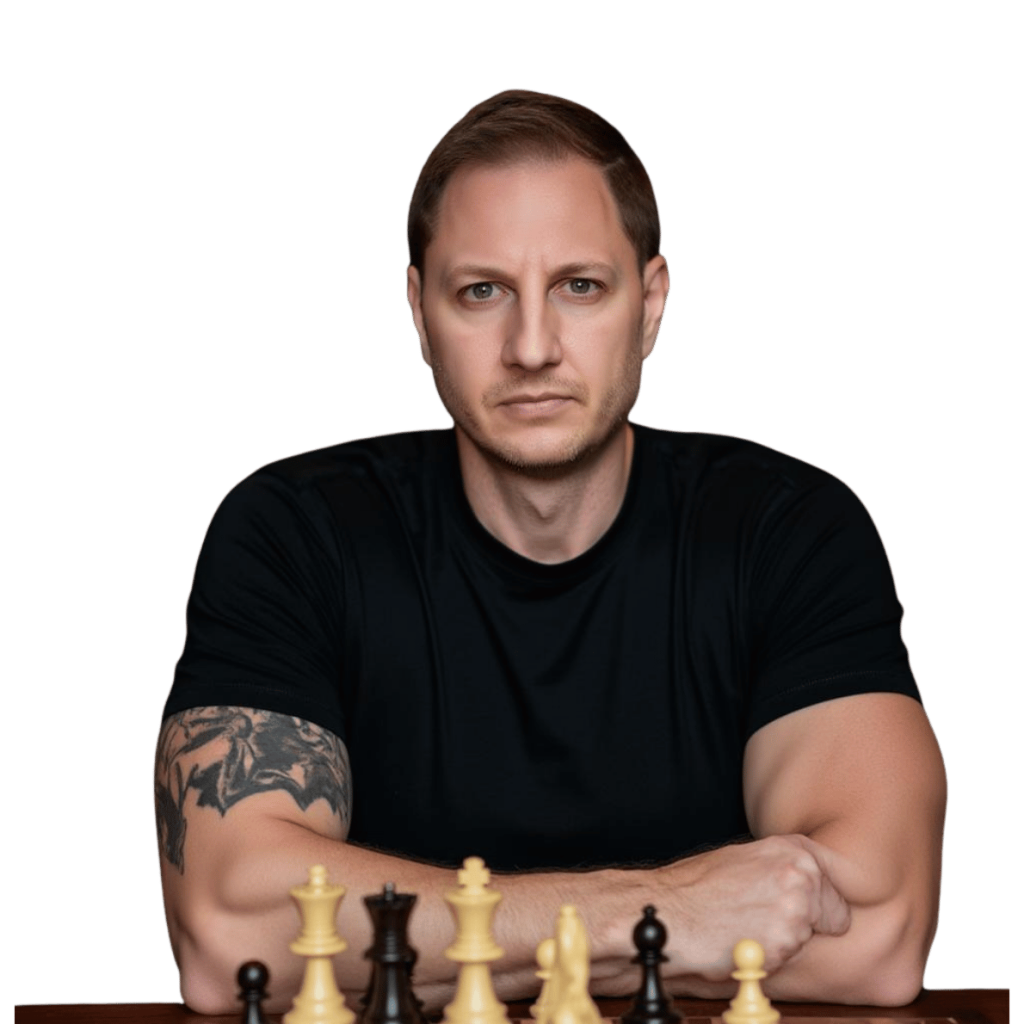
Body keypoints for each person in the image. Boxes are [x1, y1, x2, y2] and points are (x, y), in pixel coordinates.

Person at [154, 89, 947, 1017]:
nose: (531, 347)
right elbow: (228, 940)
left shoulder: (789, 531)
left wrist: (458, 949)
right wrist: (659, 916)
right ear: (417, 313)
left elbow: (876, 935)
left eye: (580, 286)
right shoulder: (293, 532)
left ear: (652, 302)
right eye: (481, 291)